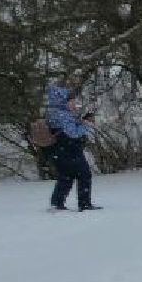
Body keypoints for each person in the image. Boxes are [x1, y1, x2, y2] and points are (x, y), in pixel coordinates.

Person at [45, 81, 99, 212]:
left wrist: (81, 120)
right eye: (71, 101)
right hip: (69, 149)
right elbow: (73, 133)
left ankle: (57, 203)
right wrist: (86, 124)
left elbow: (68, 127)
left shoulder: (55, 112)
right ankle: (84, 204)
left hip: (60, 150)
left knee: (66, 176)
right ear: (63, 101)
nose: (74, 103)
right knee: (84, 174)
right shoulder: (62, 114)